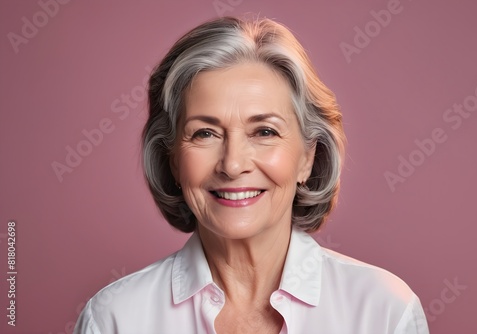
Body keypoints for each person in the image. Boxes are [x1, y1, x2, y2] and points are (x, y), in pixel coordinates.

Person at [75, 16, 429, 334]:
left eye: (264, 132)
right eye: (205, 133)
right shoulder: (114, 320)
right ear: (172, 160)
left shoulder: (384, 314)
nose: (232, 164)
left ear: (308, 157)